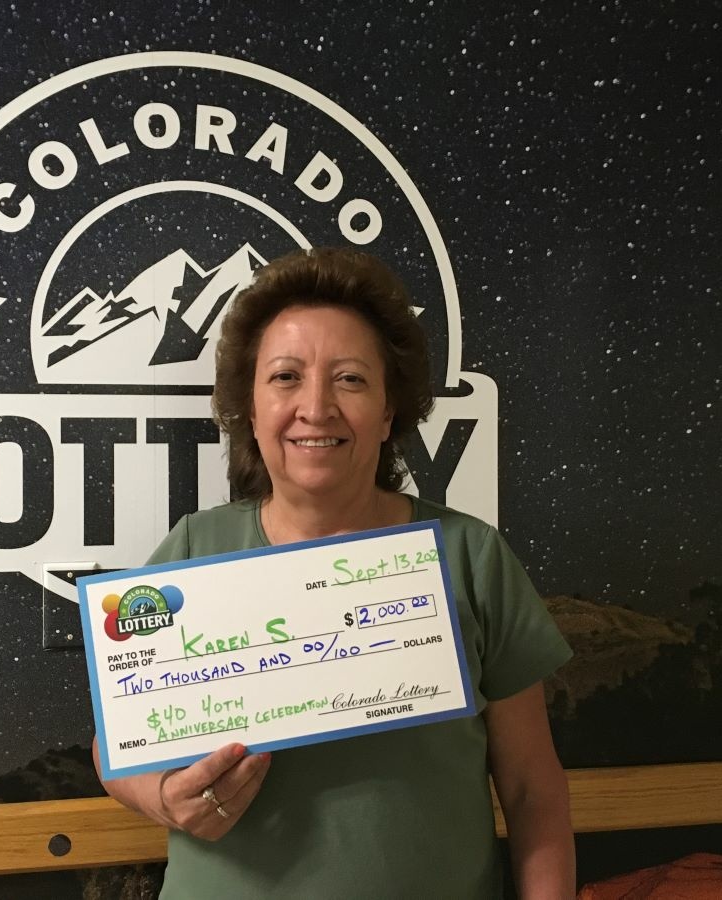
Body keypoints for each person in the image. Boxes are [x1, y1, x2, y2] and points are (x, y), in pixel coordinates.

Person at [95, 247, 575, 897]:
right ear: (251, 409)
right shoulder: (192, 551)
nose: (315, 408)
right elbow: (115, 742)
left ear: (388, 412)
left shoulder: (470, 557)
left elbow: (532, 790)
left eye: (349, 379)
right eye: (286, 377)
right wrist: (159, 797)